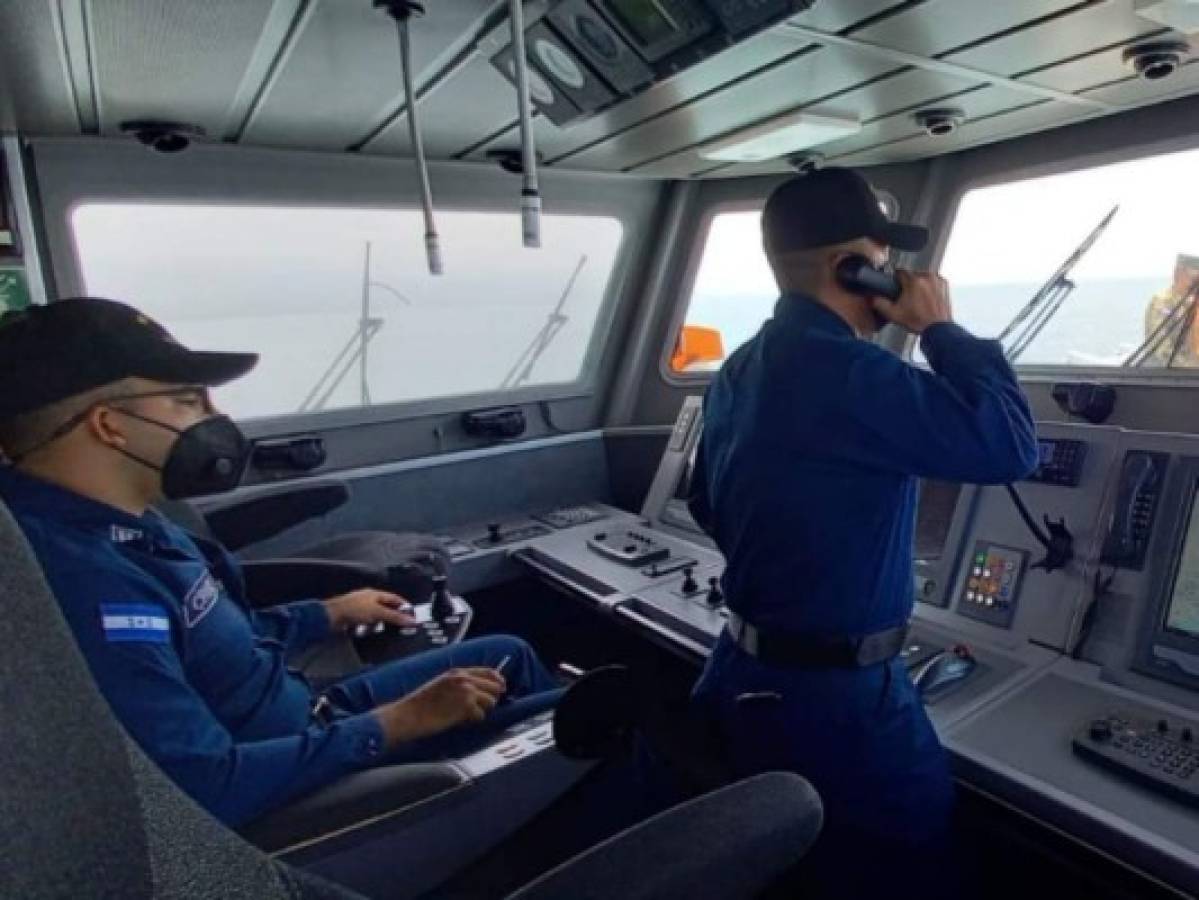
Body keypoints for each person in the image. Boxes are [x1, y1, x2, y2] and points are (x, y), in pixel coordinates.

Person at [0, 297, 563, 827]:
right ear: (108, 425)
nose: (212, 418)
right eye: (188, 400)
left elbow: (217, 639)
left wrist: (326, 614)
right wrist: (397, 722)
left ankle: (552, 811)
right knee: (607, 712)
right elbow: (206, 785)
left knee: (505, 654)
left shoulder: (126, 518)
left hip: (302, 709)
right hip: (290, 775)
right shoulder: (87, 582)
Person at [687, 168, 1038, 897]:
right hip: (838, 703)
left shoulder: (742, 366)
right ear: (851, 267)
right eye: (884, 258)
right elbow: (1009, 446)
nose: (896, 273)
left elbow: (705, 502)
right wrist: (941, 329)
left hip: (740, 672)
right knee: (908, 867)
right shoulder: (843, 372)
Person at [1142, 253, 1199, 366]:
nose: (1196, 284)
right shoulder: (1162, 303)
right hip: (1168, 377)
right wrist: (1194, 368)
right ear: (1178, 273)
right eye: (1194, 279)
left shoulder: (1193, 303)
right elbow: (1163, 351)